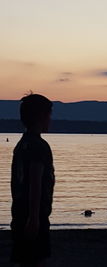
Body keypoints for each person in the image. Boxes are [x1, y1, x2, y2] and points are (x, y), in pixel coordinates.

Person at [10, 94, 55, 267]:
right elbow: (35, 183)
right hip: (33, 216)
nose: (50, 120)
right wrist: (34, 218)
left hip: (19, 213)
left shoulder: (22, 144)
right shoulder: (39, 146)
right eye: (48, 115)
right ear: (41, 117)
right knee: (36, 260)